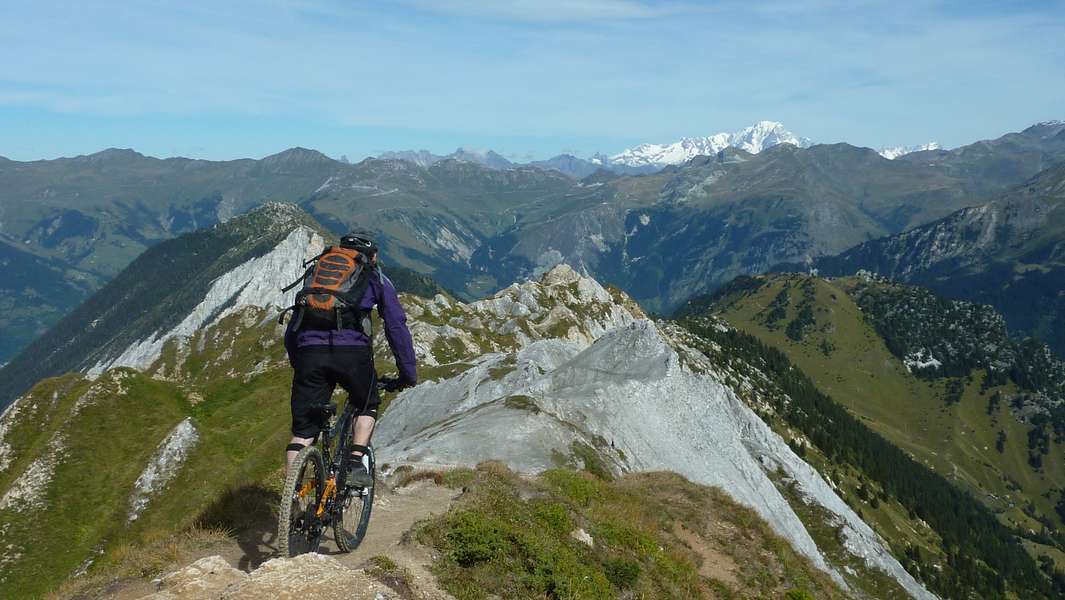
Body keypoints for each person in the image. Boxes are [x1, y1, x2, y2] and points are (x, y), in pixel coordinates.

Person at [283, 231, 417, 486]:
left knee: (302, 432)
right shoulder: (374, 276)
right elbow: (396, 325)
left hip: (308, 353)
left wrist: (297, 361)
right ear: (373, 256)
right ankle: (356, 465)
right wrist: (407, 374)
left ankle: (292, 496)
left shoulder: (318, 274)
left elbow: (296, 321)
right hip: (352, 354)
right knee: (366, 403)